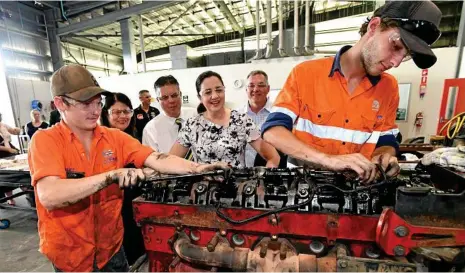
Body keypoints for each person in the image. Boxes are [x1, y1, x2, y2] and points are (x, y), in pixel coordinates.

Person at [28, 64, 226, 272]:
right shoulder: (45, 140)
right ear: (60, 103)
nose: (95, 110)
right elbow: (50, 195)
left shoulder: (113, 137)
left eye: (98, 103)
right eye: (86, 104)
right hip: (70, 253)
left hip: (111, 248)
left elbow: (156, 158)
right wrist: (111, 176)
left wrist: (199, 168)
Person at [261, 1, 442, 183]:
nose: (395, 62)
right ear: (373, 27)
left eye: (405, 55)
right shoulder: (306, 73)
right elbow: (273, 131)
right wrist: (328, 160)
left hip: (356, 192)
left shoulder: (389, 87)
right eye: (395, 47)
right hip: (302, 191)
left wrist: (383, 156)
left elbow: (386, 139)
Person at [170, 71, 281, 168]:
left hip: (236, 189)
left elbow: (273, 157)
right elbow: (171, 161)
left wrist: (262, 183)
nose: (214, 96)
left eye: (219, 90)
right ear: (199, 97)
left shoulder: (242, 121)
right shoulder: (191, 125)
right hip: (203, 190)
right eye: (208, 92)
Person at [99, 92, 145, 266]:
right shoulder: (100, 141)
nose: (123, 116)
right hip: (112, 207)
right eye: (116, 112)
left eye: (126, 111)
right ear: (106, 113)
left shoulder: (133, 137)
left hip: (132, 204)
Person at [237, 70, 287, 168]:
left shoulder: (279, 114)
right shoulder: (236, 116)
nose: (255, 89)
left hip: (273, 173)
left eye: (261, 85)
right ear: (246, 89)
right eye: (251, 85)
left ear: (268, 89)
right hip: (242, 174)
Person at [142, 75, 196, 153]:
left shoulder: (196, 115)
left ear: (180, 94)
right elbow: (152, 162)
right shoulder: (150, 130)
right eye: (164, 97)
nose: (171, 101)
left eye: (174, 95)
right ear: (158, 100)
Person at [0, 112, 21, 205]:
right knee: (6, 175)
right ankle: (9, 198)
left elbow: (13, 131)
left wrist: (17, 130)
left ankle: (27, 190)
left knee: (19, 170)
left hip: (9, 149)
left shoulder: (3, 125)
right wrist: (8, 149)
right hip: (2, 152)